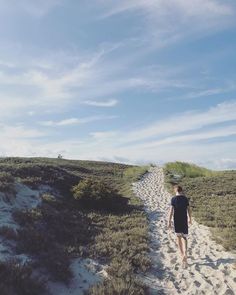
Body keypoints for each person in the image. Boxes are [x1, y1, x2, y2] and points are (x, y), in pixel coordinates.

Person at [168, 185, 192, 267]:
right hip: (184, 219)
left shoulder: (173, 199)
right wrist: (190, 219)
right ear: (181, 191)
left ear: (175, 191)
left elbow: (171, 211)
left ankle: (182, 254)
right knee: (184, 237)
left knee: (178, 237)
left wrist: (169, 222)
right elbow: (189, 209)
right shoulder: (185, 199)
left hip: (177, 220)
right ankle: (185, 254)